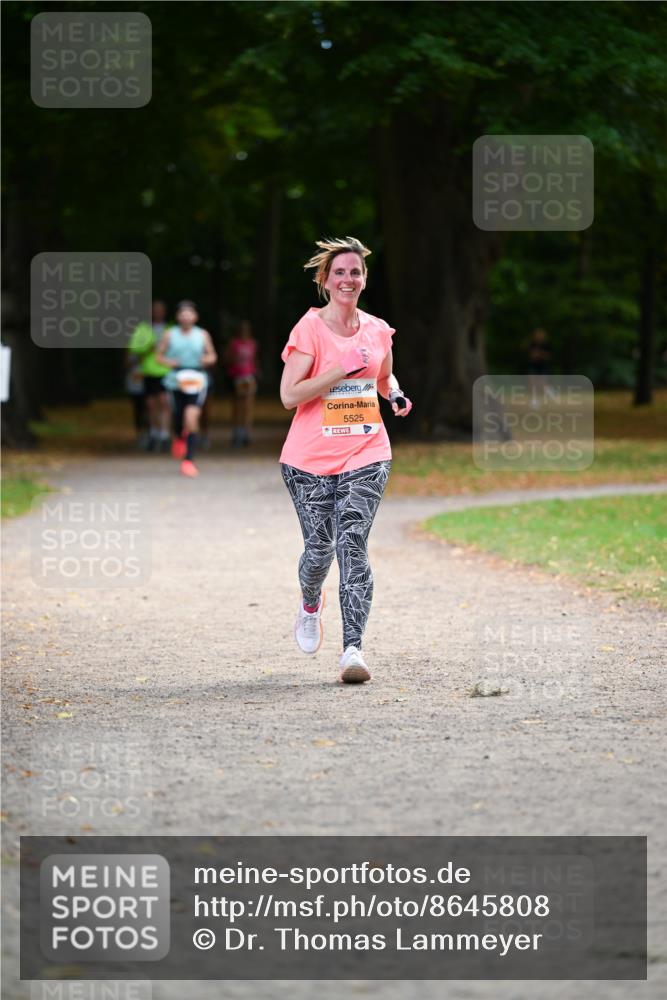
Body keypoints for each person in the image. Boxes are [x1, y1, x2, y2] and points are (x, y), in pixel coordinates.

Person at [279, 237, 412, 685]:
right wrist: (339, 368)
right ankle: (310, 600)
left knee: (351, 543)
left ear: (364, 279)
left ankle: (352, 649)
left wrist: (392, 393)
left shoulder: (378, 330)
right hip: (308, 460)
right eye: (340, 272)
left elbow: (382, 372)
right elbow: (288, 395)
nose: (348, 279)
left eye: (355, 272)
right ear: (325, 280)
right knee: (320, 550)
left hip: (367, 451)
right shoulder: (309, 330)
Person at [156, 300, 218, 478]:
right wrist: (169, 362)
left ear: (195, 316)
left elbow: (212, 355)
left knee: (191, 416)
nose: (186, 316)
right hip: (175, 379)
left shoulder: (202, 334)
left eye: (189, 313)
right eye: (182, 313)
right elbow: (159, 356)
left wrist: (207, 360)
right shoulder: (170, 334)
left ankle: (189, 460)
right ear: (177, 317)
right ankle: (179, 436)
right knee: (178, 416)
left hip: (197, 379)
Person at [127, 300, 172, 451]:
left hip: (166, 371)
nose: (157, 312)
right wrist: (149, 348)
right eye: (155, 310)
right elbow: (133, 351)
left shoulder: (170, 329)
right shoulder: (143, 329)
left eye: (160, 309)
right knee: (151, 405)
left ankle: (165, 435)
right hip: (148, 371)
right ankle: (154, 433)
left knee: (164, 402)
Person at [225, 319, 259, 447]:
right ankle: (237, 432)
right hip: (237, 377)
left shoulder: (252, 343)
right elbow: (229, 359)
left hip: (249, 377)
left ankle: (246, 433)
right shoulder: (234, 343)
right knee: (237, 406)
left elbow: (255, 359)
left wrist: (256, 372)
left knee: (248, 406)